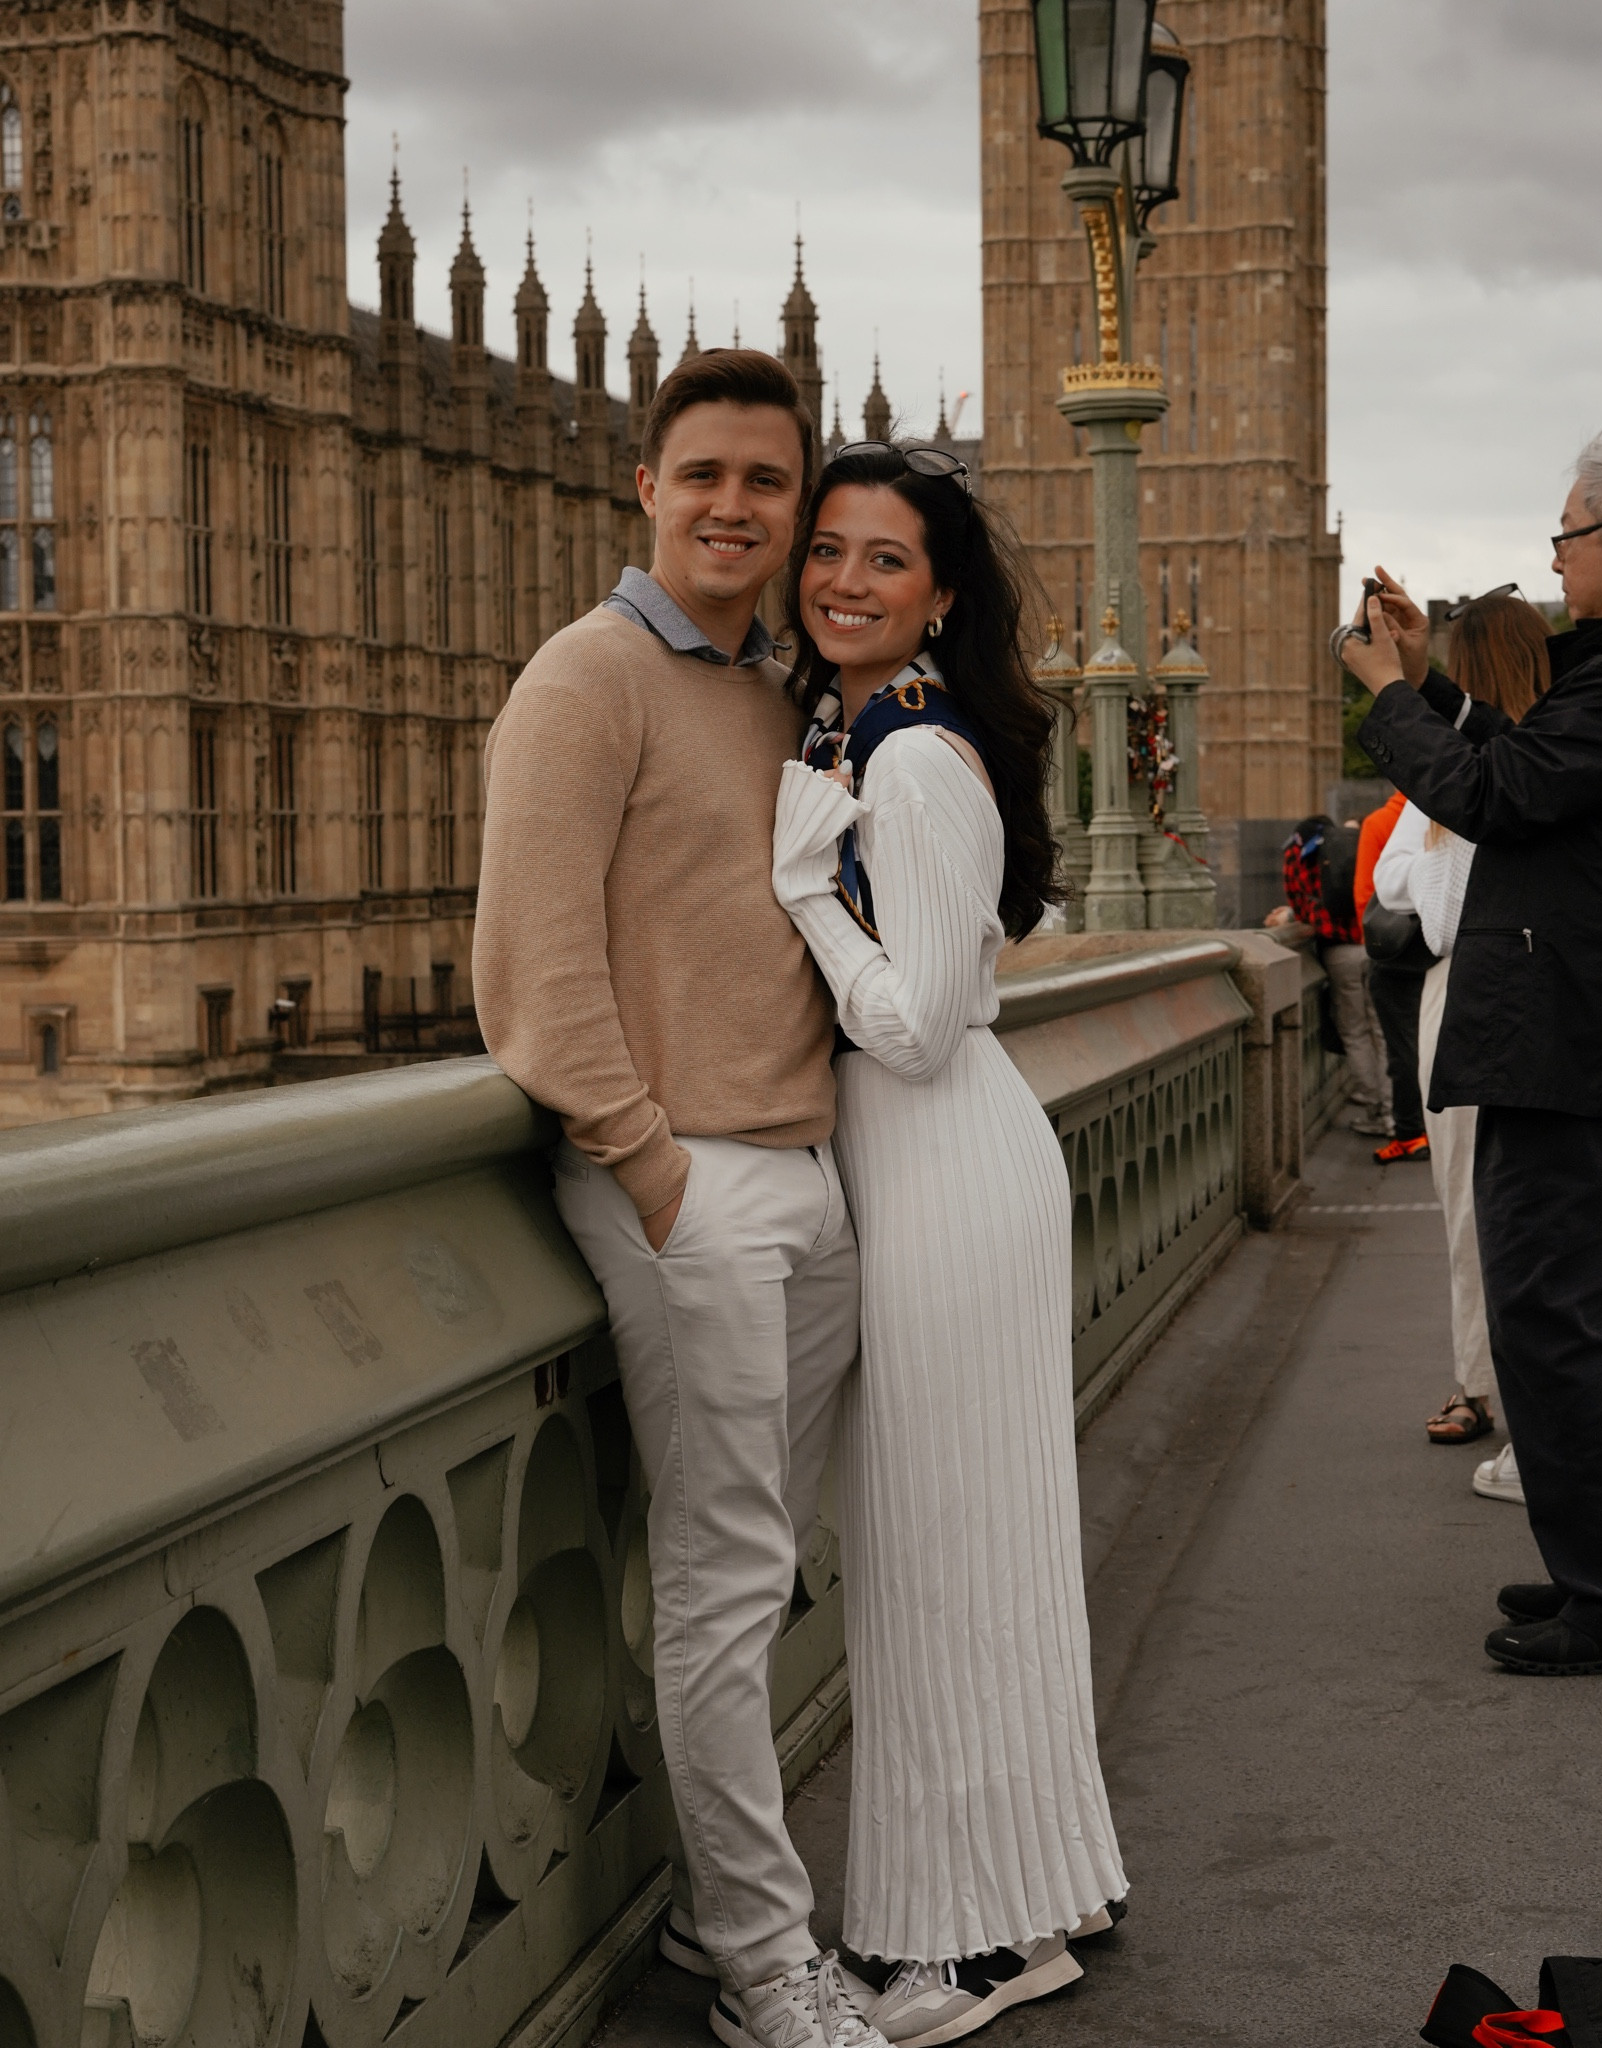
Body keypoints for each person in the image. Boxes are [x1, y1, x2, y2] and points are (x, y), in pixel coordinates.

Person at [474, 350, 889, 2048]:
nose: (734, 504)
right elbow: (533, 954)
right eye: (704, 472)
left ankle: (753, 1915)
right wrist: (650, 1166)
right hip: (687, 1185)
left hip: (808, 1171)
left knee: (770, 1564)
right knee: (722, 1581)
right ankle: (759, 1958)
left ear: (796, 512)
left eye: (766, 483)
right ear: (645, 483)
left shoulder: (781, 694)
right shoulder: (588, 675)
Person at [770, 442, 1127, 2046]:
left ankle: (972, 1945)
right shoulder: (872, 730)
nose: (843, 579)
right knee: (986, 1553)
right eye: (826, 551)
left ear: (942, 593)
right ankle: (1047, 1888)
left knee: (934, 1565)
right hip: (943, 1171)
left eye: (883, 559)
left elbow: (914, 1022)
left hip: (938, 1172)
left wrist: (809, 900)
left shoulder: (908, 757)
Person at [1343, 418, 1602, 1677]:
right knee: (1574, 1314)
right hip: (1572, 1041)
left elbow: (1497, 795)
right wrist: (1428, 681)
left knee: (1548, 1314)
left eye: (1567, 534)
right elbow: (1523, 757)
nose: (1555, 557)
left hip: (1571, 1047)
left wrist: (1387, 702)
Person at [1373, 589, 1551, 1476]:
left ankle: (1521, 1411)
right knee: (1511, 1215)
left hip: (1482, 996)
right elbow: (1392, 873)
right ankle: (1487, 1386)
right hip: (1512, 996)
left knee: (1490, 1216)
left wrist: (1443, 846)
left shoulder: (1507, 760)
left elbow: (1427, 902)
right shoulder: (1543, 750)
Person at [1263, 816, 1394, 1137]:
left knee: (1355, 1031)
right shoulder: (1353, 841)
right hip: (1373, 947)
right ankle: (1397, 1111)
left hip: (1339, 953)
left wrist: (1291, 914)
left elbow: (1302, 903)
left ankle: (1378, 1108)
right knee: (1382, 1031)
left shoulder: (1299, 853)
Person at [1354, 788, 1429, 1165]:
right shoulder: (1443, 813)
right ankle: (1429, 1127)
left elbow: (1366, 892)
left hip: (1395, 956)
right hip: (1435, 952)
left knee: (1402, 1052)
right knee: (1432, 1044)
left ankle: (1409, 1133)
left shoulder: (1380, 823)